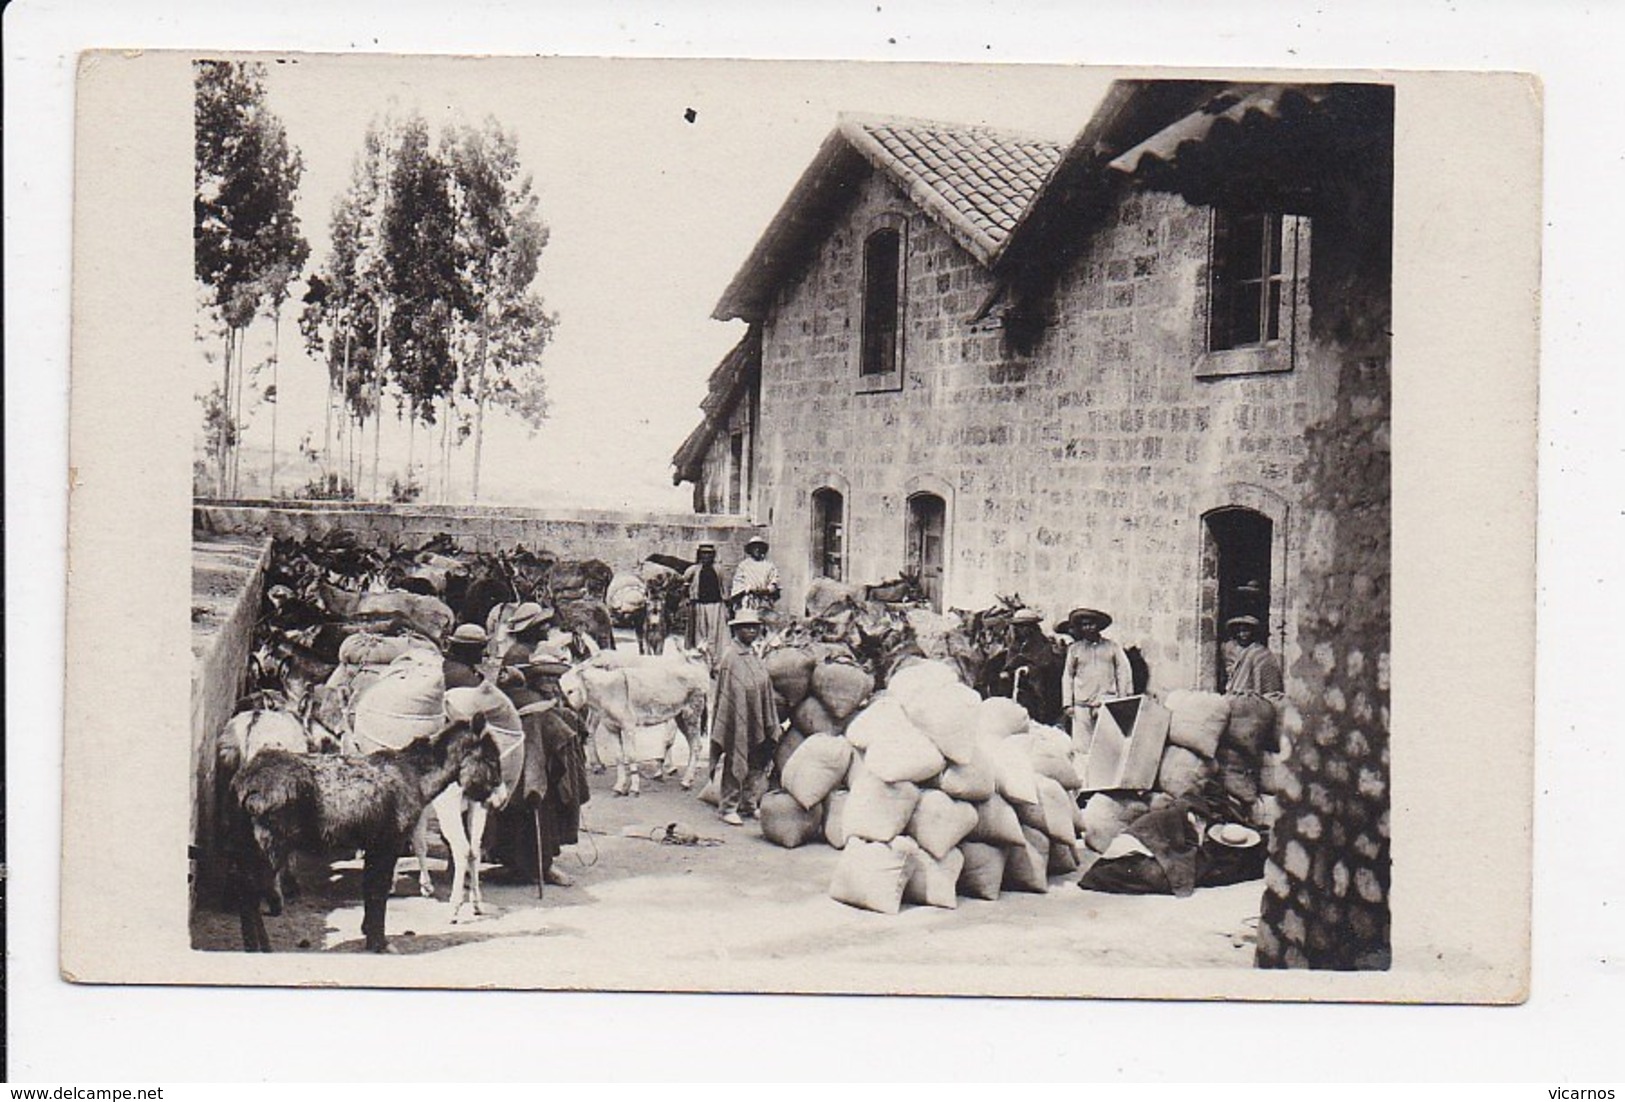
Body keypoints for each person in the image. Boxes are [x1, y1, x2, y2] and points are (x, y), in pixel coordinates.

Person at [490, 646, 590, 888]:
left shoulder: (551, 702)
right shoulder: (532, 705)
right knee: (535, 817)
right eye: (544, 677)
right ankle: (536, 866)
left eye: (553, 678)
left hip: (540, 768)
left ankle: (530, 865)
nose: (550, 682)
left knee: (536, 819)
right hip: (531, 768)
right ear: (533, 679)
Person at [710, 607, 780, 826]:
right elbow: (730, 693)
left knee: (755, 760)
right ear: (736, 630)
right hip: (737, 719)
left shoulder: (753, 654)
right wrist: (738, 717)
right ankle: (727, 807)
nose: (751, 631)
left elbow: (762, 685)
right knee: (735, 756)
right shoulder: (730, 658)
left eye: (754, 627)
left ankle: (748, 803)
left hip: (755, 716)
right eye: (745, 628)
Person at [1059, 607, 1133, 755]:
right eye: (1084, 624)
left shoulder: (1112, 647)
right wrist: (1068, 703)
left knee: (1106, 745)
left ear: (1098, 626)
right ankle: (1083, 775)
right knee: (1082, 747)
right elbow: (1068, 676)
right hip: (1081, 704)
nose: (1088, 628)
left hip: (1106, 702)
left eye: (1092, 624)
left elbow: (1123, 672)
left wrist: (1123, 699)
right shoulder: (1075, 649)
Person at [984, 608, 1063, 725]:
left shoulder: (1041, 644)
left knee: (1034, 713)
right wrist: (1007, 672)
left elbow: (1046, 663)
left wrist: (1030, 670)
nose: (1022, 629)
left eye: (1026, 626)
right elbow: (1011, 661)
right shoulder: (1015, 645)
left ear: (1033, 627)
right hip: (1016, 686)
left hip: (1036, 688)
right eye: (1019, 626)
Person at [681, 543, 730, 668]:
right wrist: (688, 596)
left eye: (709, 553)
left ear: (713, 555)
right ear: (699, 555)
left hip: (716, 605)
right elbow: (684, 583)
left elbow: (725, 587)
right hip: (700, 605)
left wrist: (726, 603)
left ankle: (716, 660)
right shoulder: (694, 570)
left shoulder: (719, 569)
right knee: (700, 631)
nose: (706, 556)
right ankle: (701, 659)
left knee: (715, 633)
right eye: (703, 553)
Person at [1222, 615, 1285, 699]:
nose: (1242, 634)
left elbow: (1270, 682)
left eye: (1245, 631)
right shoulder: (1231, 649)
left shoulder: (1261, 653)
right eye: (1239, 631)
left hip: (1258, 698)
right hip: (1235, 696)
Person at [729, 536, 781, 615]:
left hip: (764, 601)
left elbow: (774, 582)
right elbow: (738, 584)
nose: (757, 550)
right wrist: (748, 590)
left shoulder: (769, 566)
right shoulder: (743, 566)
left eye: (759, 547)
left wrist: (765, 590)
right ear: (750, 550)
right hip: (748, 602)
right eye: (754, 547)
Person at [443, 623, 490, 690]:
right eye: (482, 647)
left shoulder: (451, 666)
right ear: (470, 649)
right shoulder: (461, 676)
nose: (485, 653)